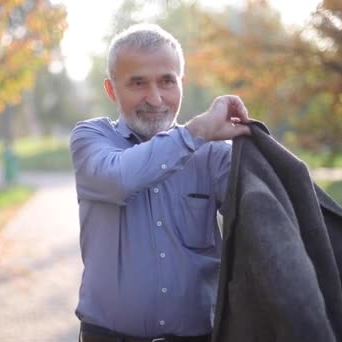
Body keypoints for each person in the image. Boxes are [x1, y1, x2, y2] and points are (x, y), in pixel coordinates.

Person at [69, 23, 251, 341]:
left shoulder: (212, 154)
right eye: (137, 83)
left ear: (181, 83)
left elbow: (261, 213)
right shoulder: (91, 138)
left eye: (166, 82)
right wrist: (196, 133)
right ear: (112, 90)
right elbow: (119, 179)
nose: (155, 99)